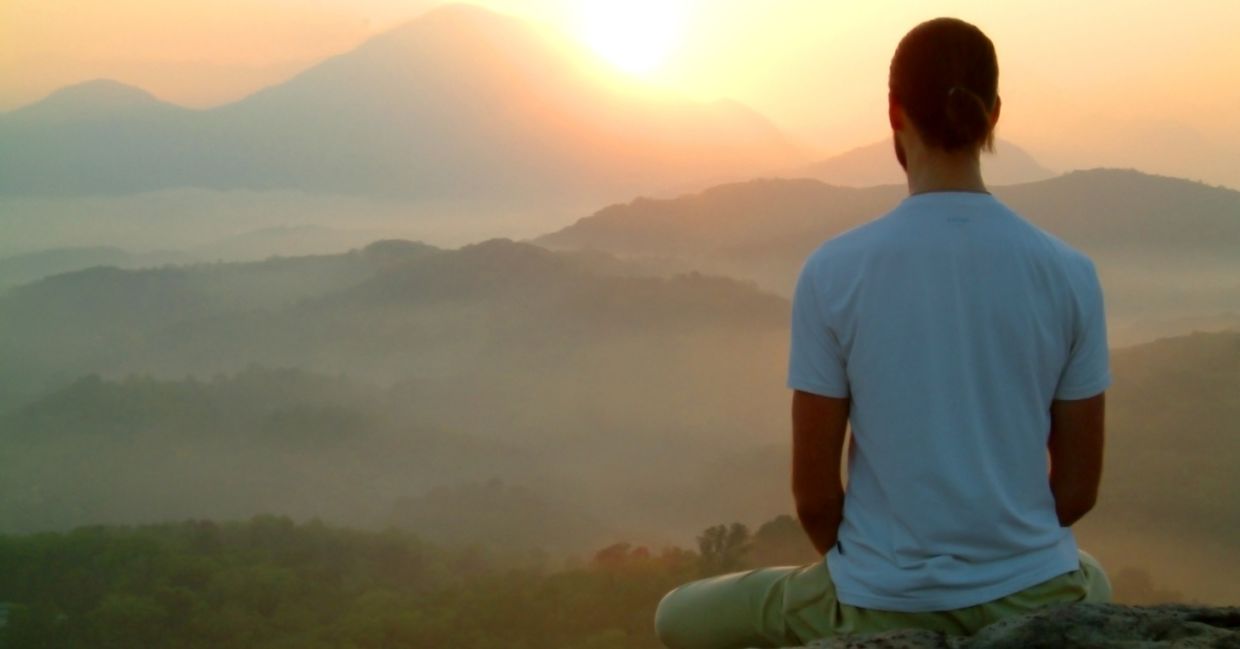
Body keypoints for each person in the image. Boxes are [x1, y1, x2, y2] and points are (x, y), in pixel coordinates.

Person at [654, 17, 1112, 649]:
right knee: (1095, 580)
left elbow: (816, 498)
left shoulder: (835, 270)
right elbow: (1077, 489)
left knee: (675, 616)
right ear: (995, 114)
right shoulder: (1070, 273)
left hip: (877, 604)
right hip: (1034, 590)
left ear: (894, 112)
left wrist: (878, 575)